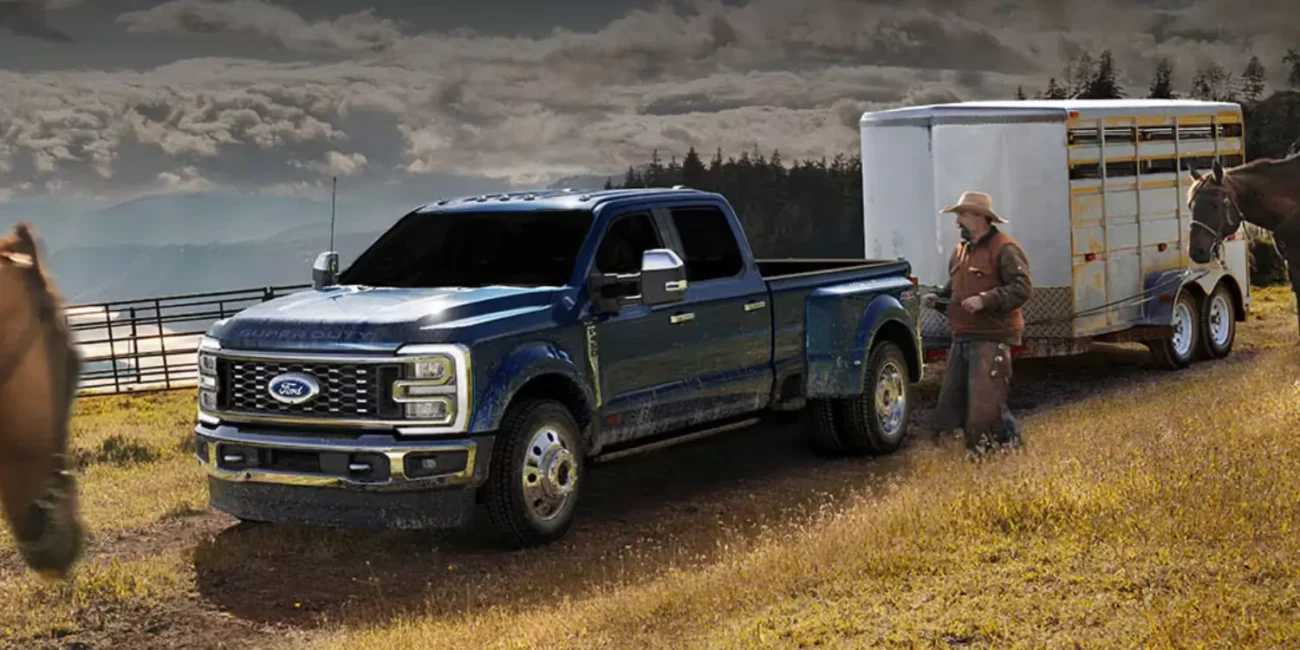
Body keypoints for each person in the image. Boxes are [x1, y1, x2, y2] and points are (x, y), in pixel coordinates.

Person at [920, 190, 1033, 458]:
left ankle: (998, 456)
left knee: (985, 406)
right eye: (958, 215)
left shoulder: (1005, 249)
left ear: (981, 218)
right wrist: (939, 299)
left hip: (992, 336)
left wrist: (985, 300)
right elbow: (955, 290)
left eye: (963, 215)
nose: (958, 222)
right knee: (951, 406)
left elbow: (1022, 288)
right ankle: (999, 452)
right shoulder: (960, 252)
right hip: (963, 336)